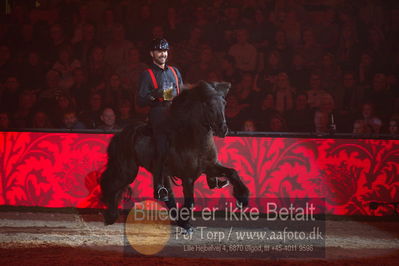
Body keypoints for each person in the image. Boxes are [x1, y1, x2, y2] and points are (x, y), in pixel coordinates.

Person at [137, 38, 225, 201]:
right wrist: (155, 95)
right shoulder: (147, 74)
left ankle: (212, 176)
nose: (162, 54)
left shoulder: (175, 71)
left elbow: (181, 93)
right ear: (152, 54)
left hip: (176, 112)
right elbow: (140, 100)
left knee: (201, 134)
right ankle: (159, 186)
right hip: (158, 113)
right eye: (159, 51)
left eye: (164, 51)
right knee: (161, 145)